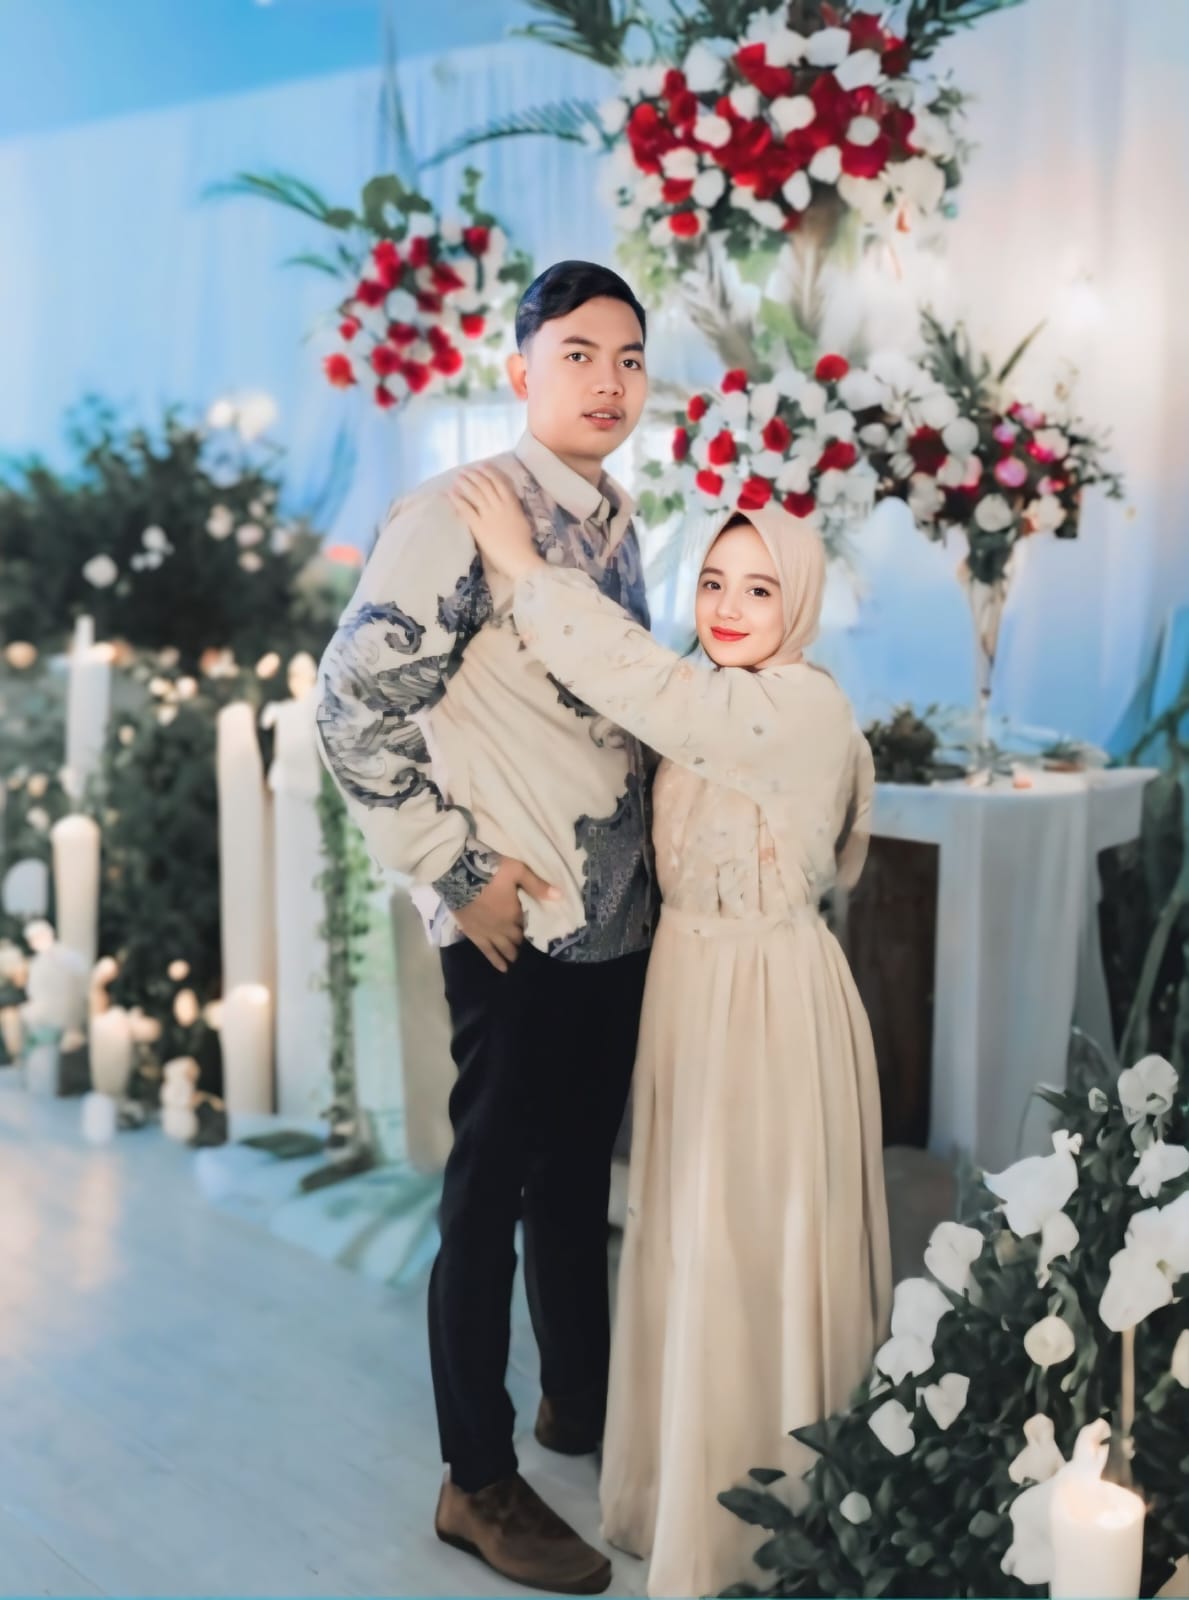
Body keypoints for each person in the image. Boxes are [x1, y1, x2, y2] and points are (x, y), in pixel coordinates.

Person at [448, 470, 894, 1600]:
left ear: (801, 600)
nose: (729, 605)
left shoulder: (799, 704)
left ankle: (768, 1511)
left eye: (760, 587)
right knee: (688, 1228)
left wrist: (524, 568)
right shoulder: (708, 685)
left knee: (757, 1233)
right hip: (687, 985)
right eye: (712, 581)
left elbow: (645, 687)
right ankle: (678, 1484)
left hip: (768, 992)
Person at [314, 261, 658, 1596]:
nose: (607, 381)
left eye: (628, 358)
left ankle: (579, 1398)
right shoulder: (459, 512)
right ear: (519, 368)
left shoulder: (616, 517)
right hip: (510, 915)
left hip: (611, 915)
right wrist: (455, 869)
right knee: (489, 1191)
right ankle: (476, 1476)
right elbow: (352, 707)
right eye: (577, 353)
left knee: (575, 1176)